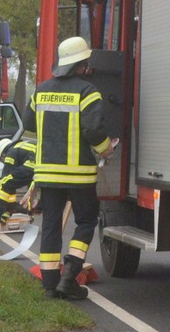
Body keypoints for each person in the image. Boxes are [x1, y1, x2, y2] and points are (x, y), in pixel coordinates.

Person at [23, 36, 114, 300]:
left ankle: (50, 283)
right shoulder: (88, 92)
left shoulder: (40, 90)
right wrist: (107, 149)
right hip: (80, 174)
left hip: (47, 173)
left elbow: (31, 123)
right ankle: (69, 274)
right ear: (83, 64)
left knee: (50, 224)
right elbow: (93, 131)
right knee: (85, 222)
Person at [0, 138, 37, 234]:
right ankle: (13, 208)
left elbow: (6, 176)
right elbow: (11, 184)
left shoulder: (11, 151)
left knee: (2, 184)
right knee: (9, 183)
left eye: (2, 159)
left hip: (30, 167)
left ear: (3, 153)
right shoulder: (21, 147)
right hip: (41, 168)